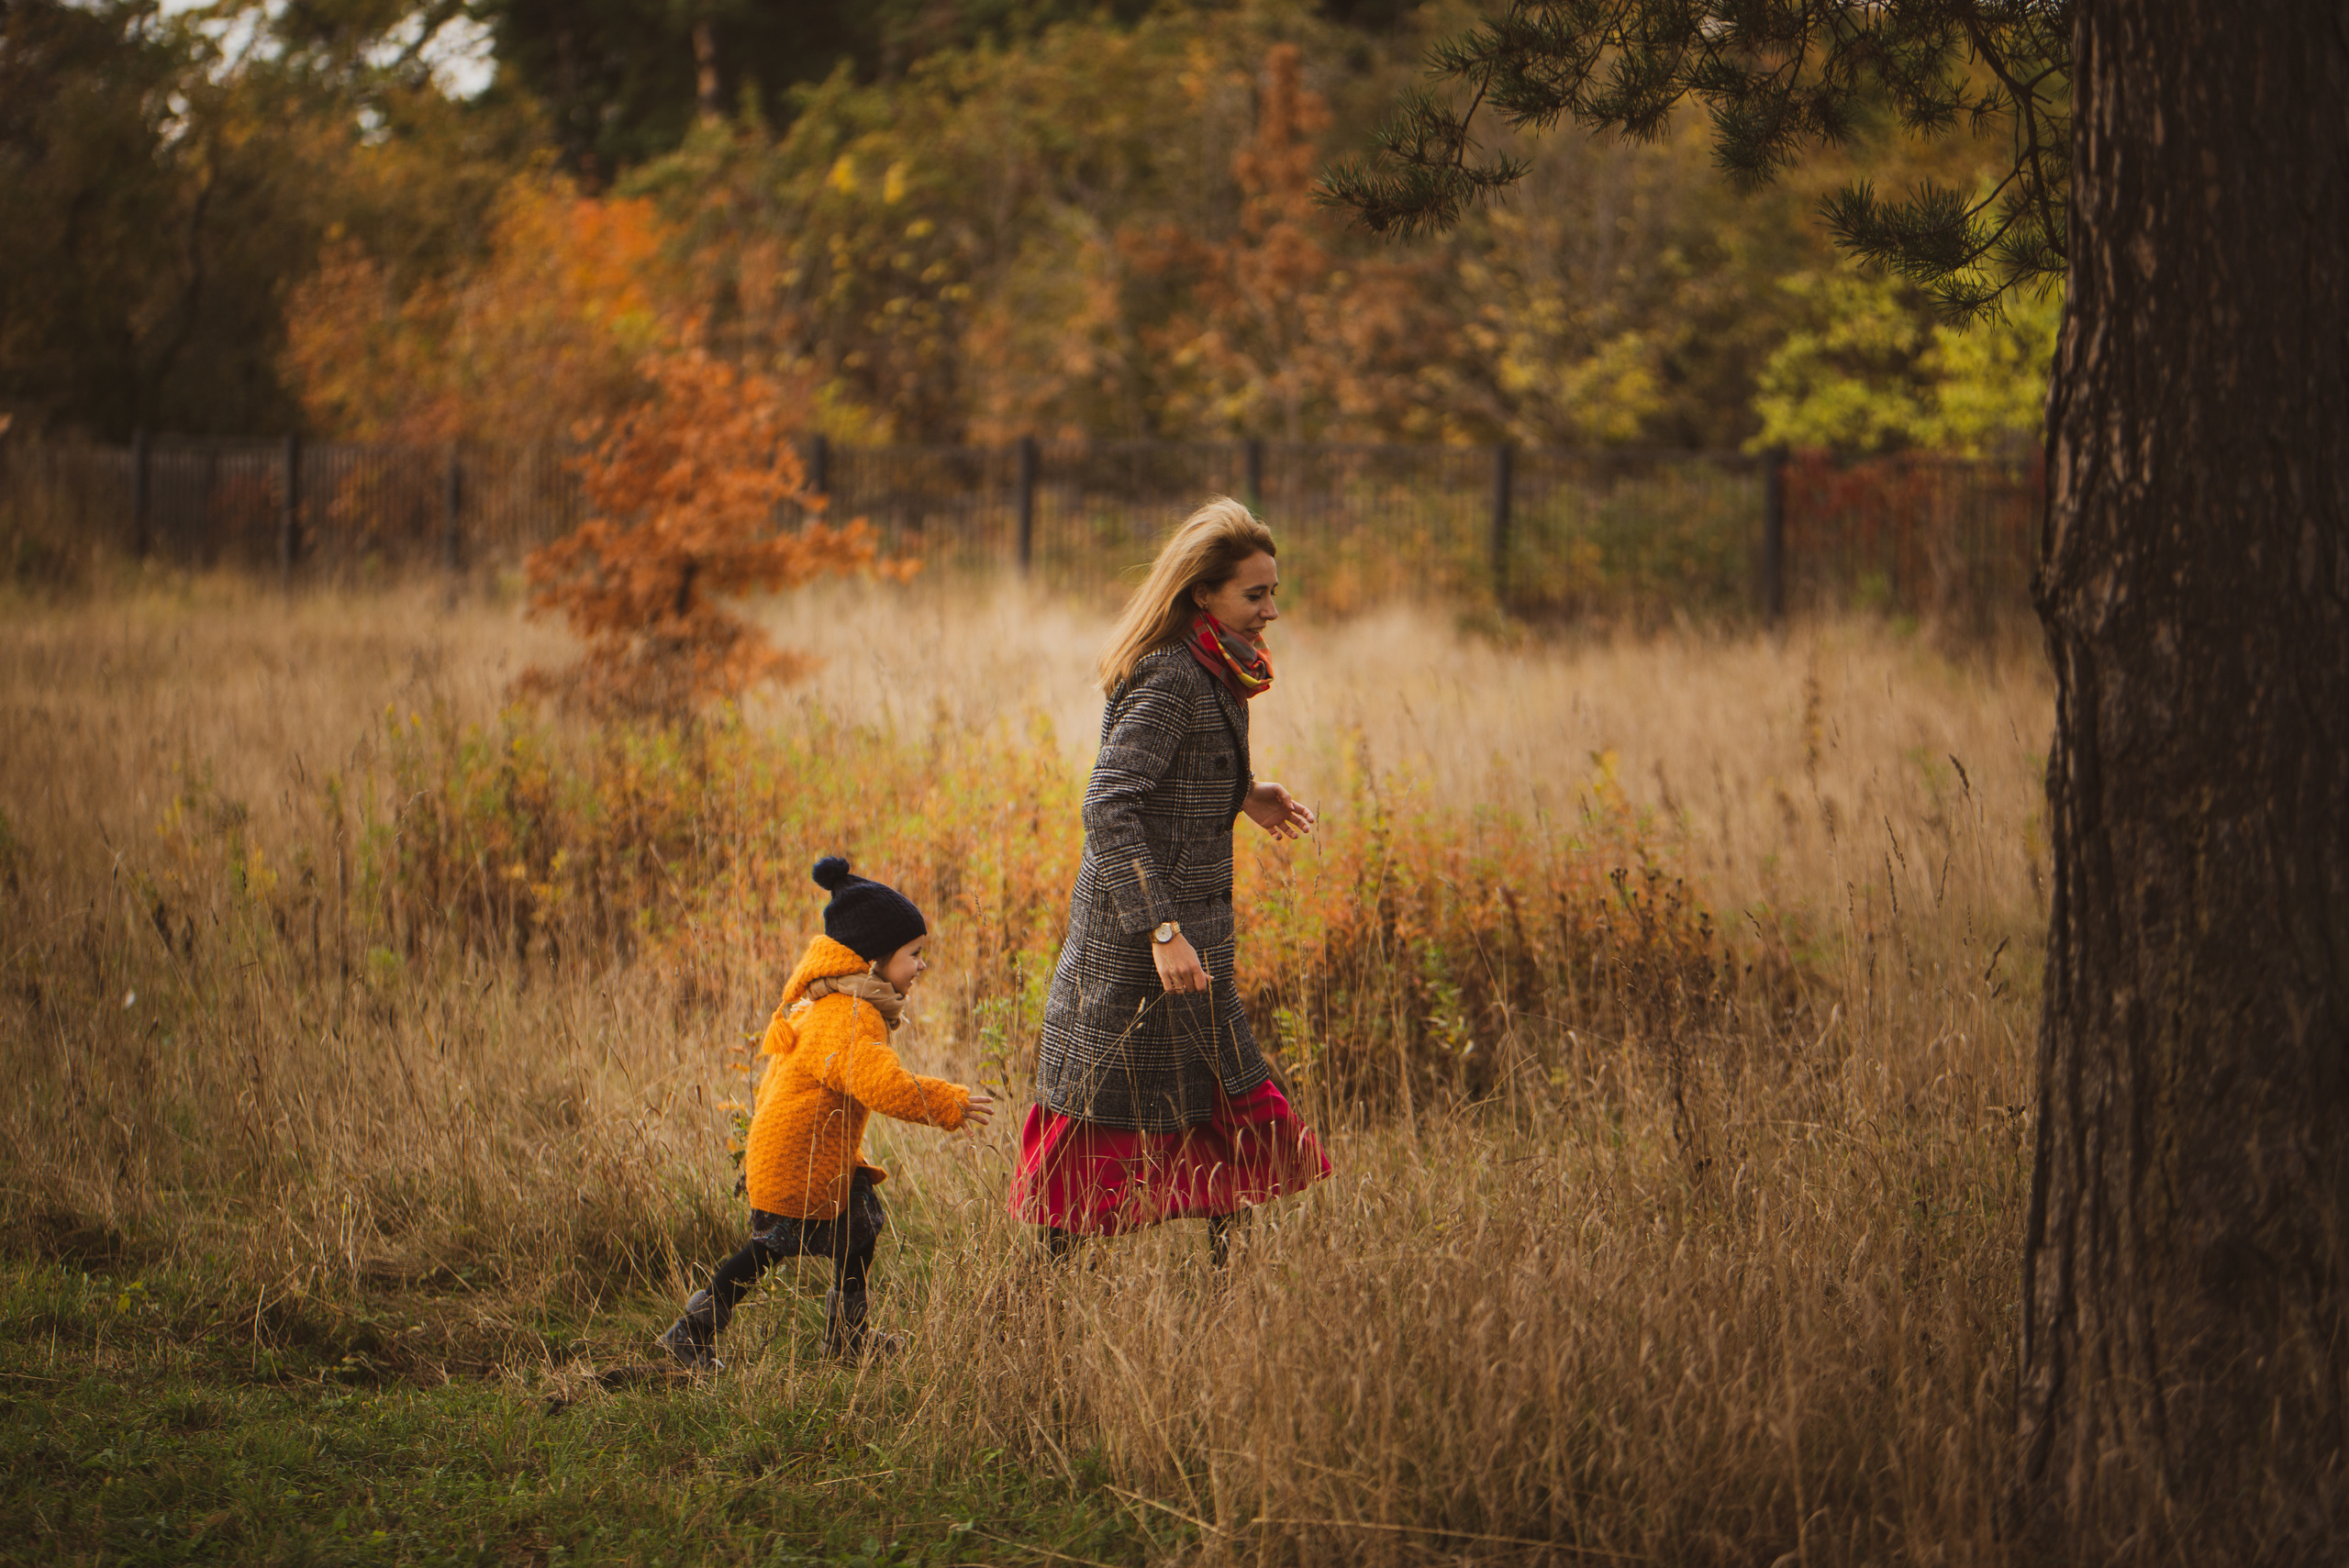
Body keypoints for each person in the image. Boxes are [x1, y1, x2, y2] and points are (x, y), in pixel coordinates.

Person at [1008, 497, 1330, 1261]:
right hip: (1141, 946)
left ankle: (1228, 1289)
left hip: (1193, 944)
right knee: (1102, 1120)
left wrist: (1241, 793)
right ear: (1202, 595)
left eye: (1273, 591)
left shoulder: (1216, 664)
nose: (1271, 609)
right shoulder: (1174, 675)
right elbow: (1109, 803)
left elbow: (1164, 780)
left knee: (1218, 1103)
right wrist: (1161, 929)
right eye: (1256, 593)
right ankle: (1046, 1303)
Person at [660, 856, 994, 1368]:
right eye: (914, 954)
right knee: (768, 1251)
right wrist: (948, 1102)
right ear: (873, 961)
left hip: (814, 1157)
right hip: (796, 1162)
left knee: (859, 1228)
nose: (922, 965)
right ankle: (691, 1334)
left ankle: (847, 1338)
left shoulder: (843, 1002)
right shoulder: (848, 1017)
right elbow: (883, 1085)